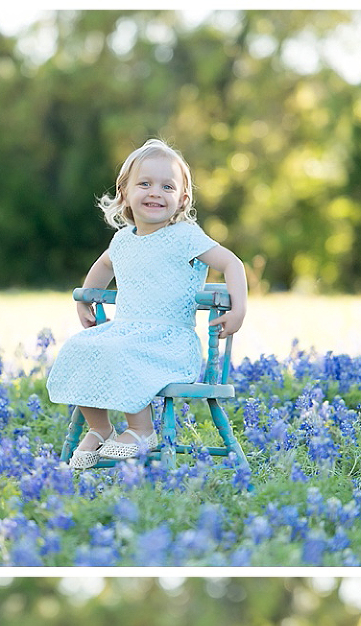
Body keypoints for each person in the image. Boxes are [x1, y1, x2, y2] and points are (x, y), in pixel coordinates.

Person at [47, 137, 248, 470]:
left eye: (167, 186)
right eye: (145, 184)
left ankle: (142, 431)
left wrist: (238, 307)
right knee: (78, 348)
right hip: (126, 332)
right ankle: (100, 428)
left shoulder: (185, 236)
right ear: (125, 193)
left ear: (182, 199)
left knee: (122, 351)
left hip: (169, 343)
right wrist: (85, 299)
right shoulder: (123, 240)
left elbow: (231, 263)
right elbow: (103, 267)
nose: (155, 192)